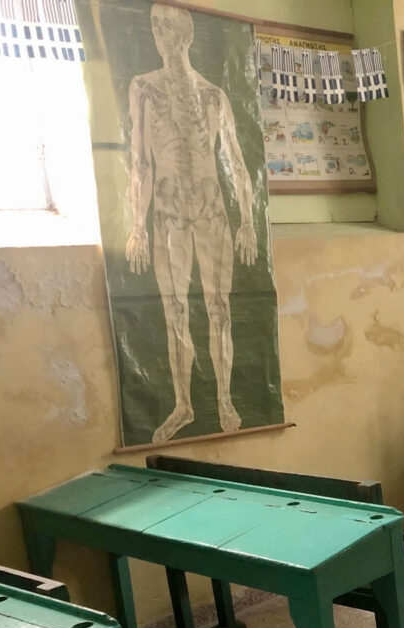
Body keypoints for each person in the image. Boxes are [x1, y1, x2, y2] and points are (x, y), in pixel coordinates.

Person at [125, 4, 257, 443]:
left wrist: (248, 223)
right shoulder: (143, 88)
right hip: (167, 213)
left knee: (219, 310)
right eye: (157, 29)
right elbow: (140, 162)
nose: (164, 36)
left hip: (211, 210)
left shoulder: (214, 95)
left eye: (171, 29)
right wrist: (137, 225)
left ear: (187, 36)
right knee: (175, 310)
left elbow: (237, 164)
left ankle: (223, 398)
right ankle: (184, 404)